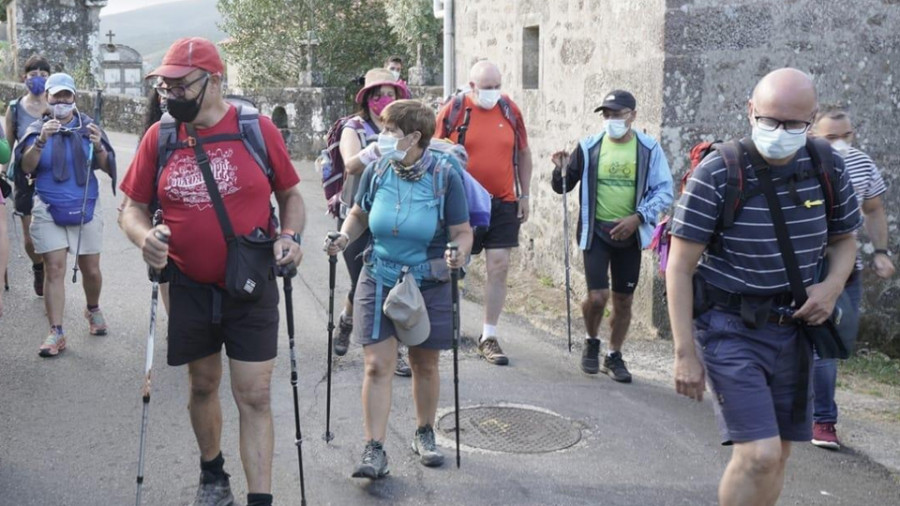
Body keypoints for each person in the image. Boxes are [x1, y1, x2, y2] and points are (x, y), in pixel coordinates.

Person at [118, 37, 305, 506]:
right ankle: (212, 471)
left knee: (256, 395)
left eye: (181, 85)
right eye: (165, 86)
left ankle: (259, 499)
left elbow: (291, 196)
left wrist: (291, 237)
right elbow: (132, 208)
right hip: (187, 286)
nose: (170, 95)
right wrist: (145, 239)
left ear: (215, 80)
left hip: (251, 284)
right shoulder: (159, 138)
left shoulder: (256, 130)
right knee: (203, 385)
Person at [666, 68, 861, 506]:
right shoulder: (719, 173)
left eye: (793, 124)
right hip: (729, 327)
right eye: (770, 120)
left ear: (811, 121)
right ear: (751, 111)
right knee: (759, 454)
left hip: (795, 328)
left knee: (780, 455)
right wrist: (684, 355)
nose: (780, 131)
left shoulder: (827, 165)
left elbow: (845, 240)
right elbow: (679, 267)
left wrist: (830, 288)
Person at [325, 99, 473, 479]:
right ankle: (374, 448)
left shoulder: (445, 175)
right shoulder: (376, 171)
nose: (383, 136)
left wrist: (458, 254)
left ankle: (424, 433)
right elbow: (358, 213)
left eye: (391, 131)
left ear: (415, 137)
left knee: (425, 363)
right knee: (376, 365)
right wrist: (344, 238)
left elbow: (462, 232)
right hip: (379, 274)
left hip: (429, 281)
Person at [551, 90, 674, 382]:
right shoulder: (589, 146)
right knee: (597, 297)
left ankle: (614, 354)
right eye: (606, 115)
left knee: (623, 301)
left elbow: (664, 190)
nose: (611, 120)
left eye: (617, 114)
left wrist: (638, 218)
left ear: (632, 115)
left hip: (630, 235)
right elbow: (563, 186)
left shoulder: (648, 149)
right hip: (596, 232)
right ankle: (592, 340)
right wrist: (561, 170)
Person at [808, 106, 895, 450]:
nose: (841, 144)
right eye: (831, 137)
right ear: (813, 135)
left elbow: (873, 210)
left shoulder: (861, 164)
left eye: (847, 136)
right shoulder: (796, 162)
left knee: (827, 347)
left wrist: (881, 252)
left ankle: (824, 420)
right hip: (796, 268)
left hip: (843, 271)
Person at [434, 60, 531, 366]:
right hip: (463, 201)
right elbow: (434, 149)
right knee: (454, 264)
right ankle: (443, 324)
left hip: (503, 201)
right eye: (487, 88)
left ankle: (488, 335)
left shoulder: (510, 110)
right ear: (472, 86)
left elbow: (523, 152)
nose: (494, 93)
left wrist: (524, 194)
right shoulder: (455, 110)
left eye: (497, 86)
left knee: (499, 266)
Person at [17, 72, 115, 357]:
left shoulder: (90, 128)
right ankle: (56, 331)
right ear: (47, 98)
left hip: (86, 205)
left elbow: (108, 167)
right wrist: (40, 142)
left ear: (74, 97)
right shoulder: (37, 129)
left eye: (66, 95)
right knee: (55, 268)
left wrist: (98, 145)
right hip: (48, 206)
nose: (61, 101)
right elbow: (25, 168)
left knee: (91, 270)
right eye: (56, 95)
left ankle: (93, 308)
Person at [334, 67, 414, 377]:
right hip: (357, 213)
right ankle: (347, 319)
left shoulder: (407, 131)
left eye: (389, 94)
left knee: (395, 282)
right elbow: (351, 165)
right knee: (362, 281)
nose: (383, 100)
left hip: (394, 215)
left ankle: (395, 350)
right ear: (367, 98)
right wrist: (379, 148)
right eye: (377, 94)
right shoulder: (353, 128)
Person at [4, 55, 51, 296]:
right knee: (30, 239)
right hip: (24, 179)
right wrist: (2, 172)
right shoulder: (15, 108)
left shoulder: (55, 106)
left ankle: (53, 276)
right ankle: (38, 267)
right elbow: (7, 146)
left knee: (51, 233)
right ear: (25, 78)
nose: (38, 79)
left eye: (44, 75)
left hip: (52, 178)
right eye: (33, 74)